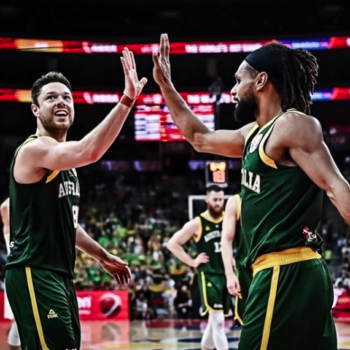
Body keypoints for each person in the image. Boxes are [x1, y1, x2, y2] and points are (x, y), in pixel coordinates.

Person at [153, 34, 344, 350]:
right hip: (289, 271)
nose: (231, 91)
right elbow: (199, 137)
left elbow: (336, 188)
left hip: (283, 271)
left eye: (238, 80)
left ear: (261, 81)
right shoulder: (252, 134)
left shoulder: (292, 124)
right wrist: (166, 86)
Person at [6, 48, 147, 349]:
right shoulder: (35, 150)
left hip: (60, 274)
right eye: (51, 97)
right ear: (35, 110)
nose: (61, 102)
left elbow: (69, 225)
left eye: (67, 97)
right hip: (34, 270)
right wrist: (126, 100)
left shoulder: (66, 169)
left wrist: (103, 257)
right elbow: (90, 152)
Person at [167, 185, 230, 350]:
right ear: (207, 200)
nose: (218, 203)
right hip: (208, 275)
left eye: (221, 200)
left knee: (214, 320)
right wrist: (192, 261)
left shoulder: (229, 219)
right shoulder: (197, 223)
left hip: (227, 275)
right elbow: (172, 244)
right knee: (219, 322)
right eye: (215, 200)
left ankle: (206, 347)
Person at [220, 194, 252, 326]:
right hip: (247, 270)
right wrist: (229, 274)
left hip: (278, 266)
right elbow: (226, 240)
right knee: (249, 324)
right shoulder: (236, 201)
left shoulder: (280, 194)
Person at [0, 198, 21, 350]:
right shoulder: (10, 233)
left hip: (35, 277)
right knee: (19, 322)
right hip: (18, 280)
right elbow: (4, 207)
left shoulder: (35, 231)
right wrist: (18, 190)